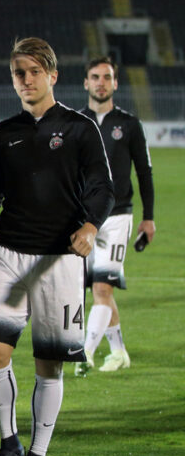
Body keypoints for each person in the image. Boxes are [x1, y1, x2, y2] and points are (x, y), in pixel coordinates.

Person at [0, 38, 113, 456]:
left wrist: (92, 226)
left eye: (33, 72)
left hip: (59, 261)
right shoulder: (4, 133)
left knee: (49, 363)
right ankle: (8, 442)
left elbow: (102, 187)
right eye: (18, 73)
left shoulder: (80, 129)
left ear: (52, 75)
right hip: (10, 256)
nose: (24, 80)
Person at [76, 57, 155, 375]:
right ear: (86, 83)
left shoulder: (130, 124)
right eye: (95, 77)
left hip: (118, 215)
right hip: (82, 218)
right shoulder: (75, 122)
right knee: (96, 289)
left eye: (106, 77)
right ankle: (119, 351)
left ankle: (85, 353)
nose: (100, 82)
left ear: (115, 83)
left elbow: (145, 172)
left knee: (102, 289)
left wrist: (148, 217)